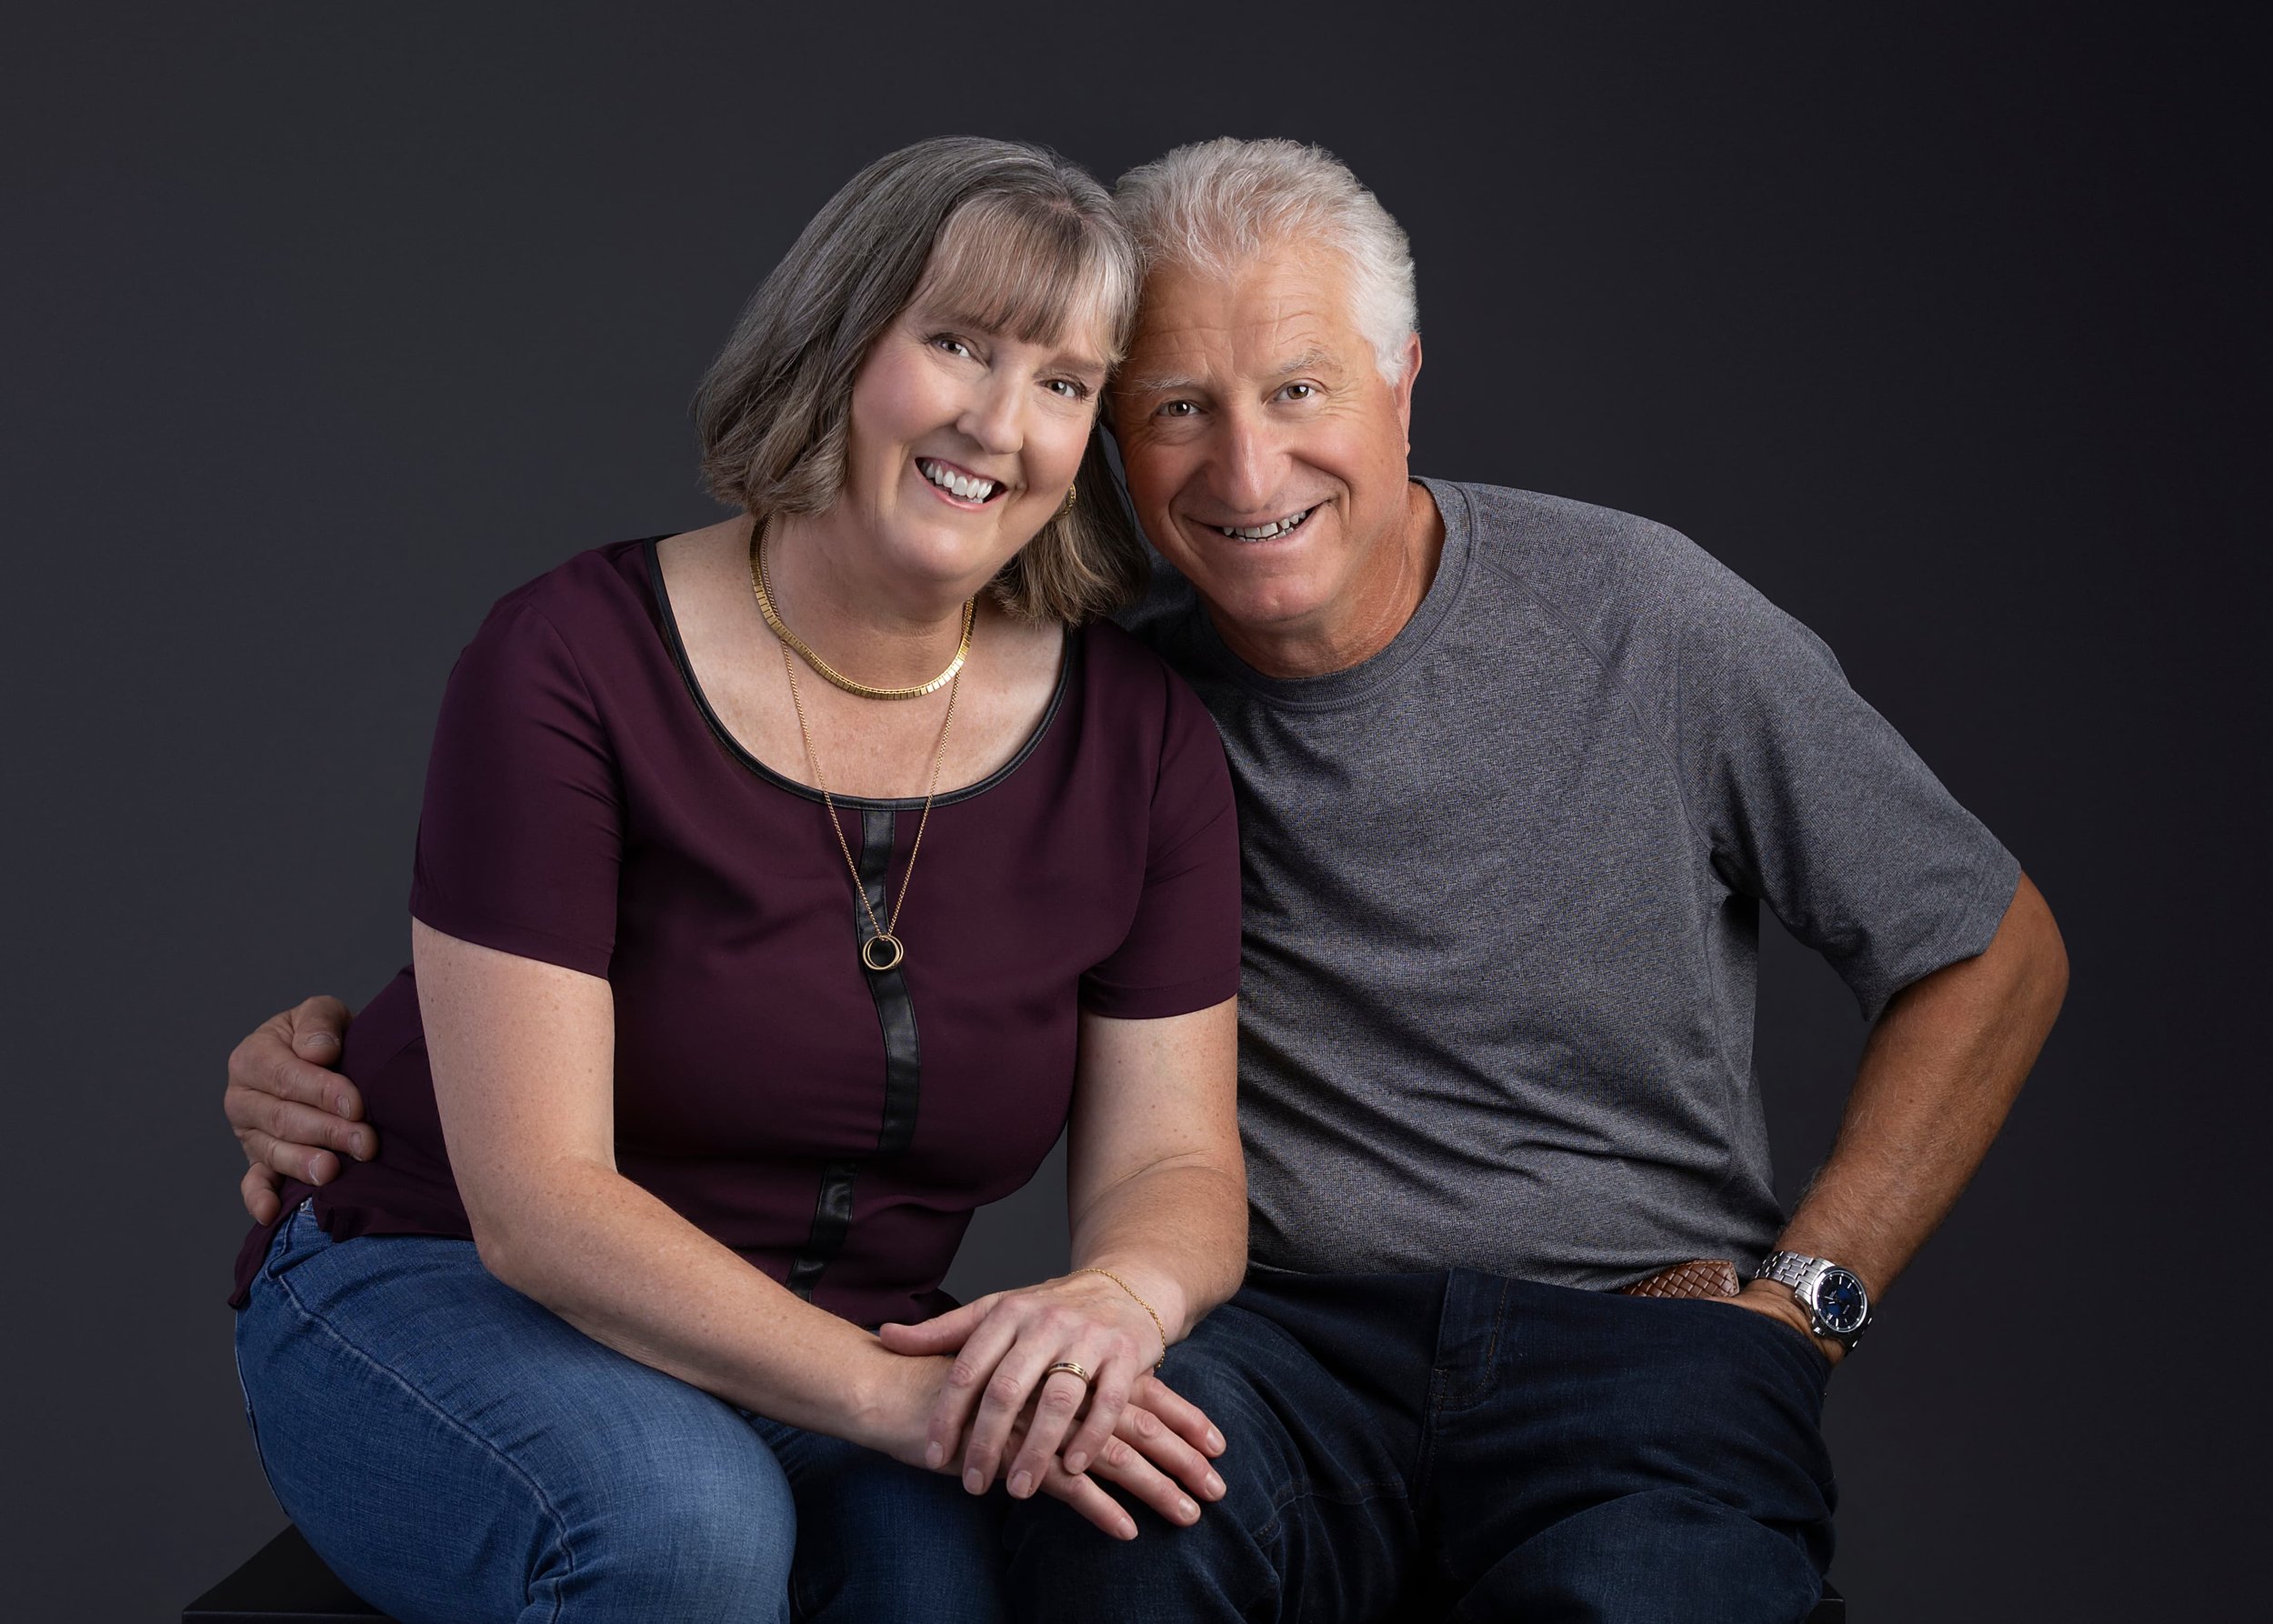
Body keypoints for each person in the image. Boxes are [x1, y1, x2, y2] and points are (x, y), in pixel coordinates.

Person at [230, 138, 2071, 1622]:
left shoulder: (1562, 635)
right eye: (1174, 404)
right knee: (947, 1553)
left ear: (1401, 381)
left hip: (1617, 1330)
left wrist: (1806, 1293)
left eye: (1291, 388)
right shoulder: (1015, 676)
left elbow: (1984, 945)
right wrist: (338, 1050)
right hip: (1246, 1347)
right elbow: (577, 1065)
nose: (1244, 464)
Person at [221, 135, 1250, 1624]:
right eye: (955, 342)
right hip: (445, 1282)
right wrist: (900, 1406)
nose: (997, 421)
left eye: (1064, 382)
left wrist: (1115, 1301)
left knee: (977, 1581)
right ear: (840, 341)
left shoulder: (1141, 740)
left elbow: (1174, 1169)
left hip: (851, 1347)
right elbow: (538, 1204)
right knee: (684, 1529)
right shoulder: (570, 657)